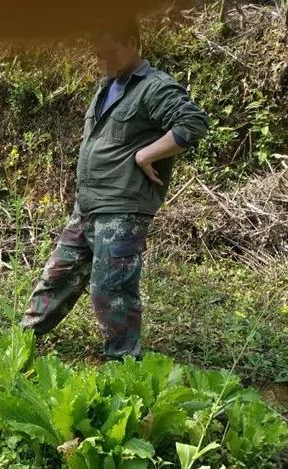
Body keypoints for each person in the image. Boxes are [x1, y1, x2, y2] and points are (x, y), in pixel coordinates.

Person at [23, 20, 208, 359]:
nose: (102, 60)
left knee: (111, 290)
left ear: (134, 43)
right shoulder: (108, 85)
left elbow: (192, 124)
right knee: (57, 276)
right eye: (98, 54)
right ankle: (20, 343)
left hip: (122, 208)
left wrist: (146, 154)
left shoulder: (154, 87)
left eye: (110, 52)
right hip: (89, 206)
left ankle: (124, 365)